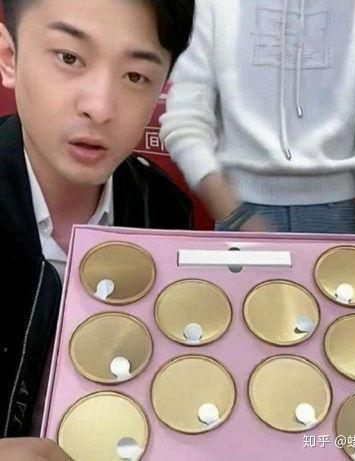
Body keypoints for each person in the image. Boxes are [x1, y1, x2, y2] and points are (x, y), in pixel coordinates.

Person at [0, 0, 194, 456]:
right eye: (69, 58)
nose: (101, 108)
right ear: (9, 57)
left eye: (135, 76)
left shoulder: (163, 210)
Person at [161, 0, 355, 252]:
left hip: (338, 216)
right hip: (241, 209)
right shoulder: (212, 5)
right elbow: (185, 116)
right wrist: (228, 208)